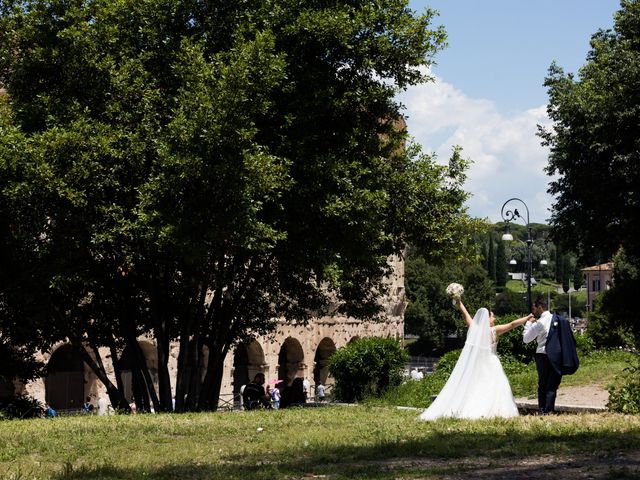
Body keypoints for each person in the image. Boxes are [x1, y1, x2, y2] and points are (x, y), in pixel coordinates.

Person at [419, 299, 533, 420]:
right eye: (493, 317)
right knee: (494, 387)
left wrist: (459, 302)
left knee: (476, 387)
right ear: (487, 319)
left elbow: (465, 314)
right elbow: (512, 324)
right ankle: (493, 411)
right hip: (491, 363)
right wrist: (527, 318)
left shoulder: (475, 329)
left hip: (477, 365)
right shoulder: (493, 331)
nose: (494, 319)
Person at [524, 298, 579, 414]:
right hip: (558, 356)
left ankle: (543, 410)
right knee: (552, 385)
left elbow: (526, 339)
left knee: (543, 384)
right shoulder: (559, 319)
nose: (533, 312)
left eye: (534, 309)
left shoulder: (539, 323)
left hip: (542, 356)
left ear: (540, 307)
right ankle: (549, 411)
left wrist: (528, 323)